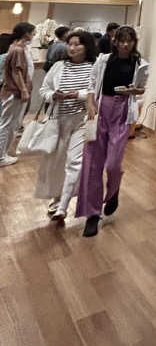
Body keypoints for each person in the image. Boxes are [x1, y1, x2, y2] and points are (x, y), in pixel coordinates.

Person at [77, 25, 148, 237]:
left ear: (134, 42)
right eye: (121, 40)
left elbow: (141, 88)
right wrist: (90, 103)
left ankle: (114, 190)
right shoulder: (103, 60)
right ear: (115, 41)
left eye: (130, 40)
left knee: (113, 163)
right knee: (93, 163)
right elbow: (92, 83)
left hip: (123, 111)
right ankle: (92, 214)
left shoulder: (140, 64)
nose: (125, 44)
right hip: (101, 109)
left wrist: (132, 91)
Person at [37, 30, 96, 225]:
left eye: (77, 44)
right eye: (70, 44)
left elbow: (96, 92)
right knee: (56, 162)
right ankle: (56, 198)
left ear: (86, 46)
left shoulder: (93, 68)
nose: (72, 48)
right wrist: (54, 95)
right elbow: (43, 89)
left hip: (81, 120)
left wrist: (77, 95)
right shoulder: (58, 66)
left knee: (75, 162)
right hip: (57, 120)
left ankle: (63, 205)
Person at [0, 21, 36, 167]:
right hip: (14, 92)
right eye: (33, 32)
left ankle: (3, 154)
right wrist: (23, 90)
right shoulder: (18, 49)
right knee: (7, 124)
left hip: (14, 92)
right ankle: (1, 157)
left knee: (11, 124)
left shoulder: (17, 48)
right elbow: (17, 71)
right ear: (26, 33)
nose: (34, 35)